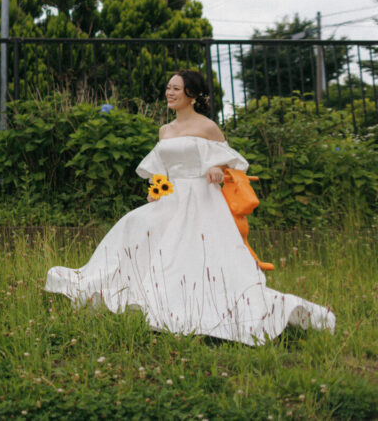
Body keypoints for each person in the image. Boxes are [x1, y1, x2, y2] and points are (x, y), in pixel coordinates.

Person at [44, 69, 335, 345]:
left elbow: (227, 160)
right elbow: (161, 169)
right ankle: (132, 289)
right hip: (172, 197)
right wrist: (157, 188)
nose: (169, 93)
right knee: (134, 223)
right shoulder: (165, 130)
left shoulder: (207, 126)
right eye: (168, 88)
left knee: (191, 249)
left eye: (176, 89)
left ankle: (199, 303)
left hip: (201, 196)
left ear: (191, 95)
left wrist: (217, 169)